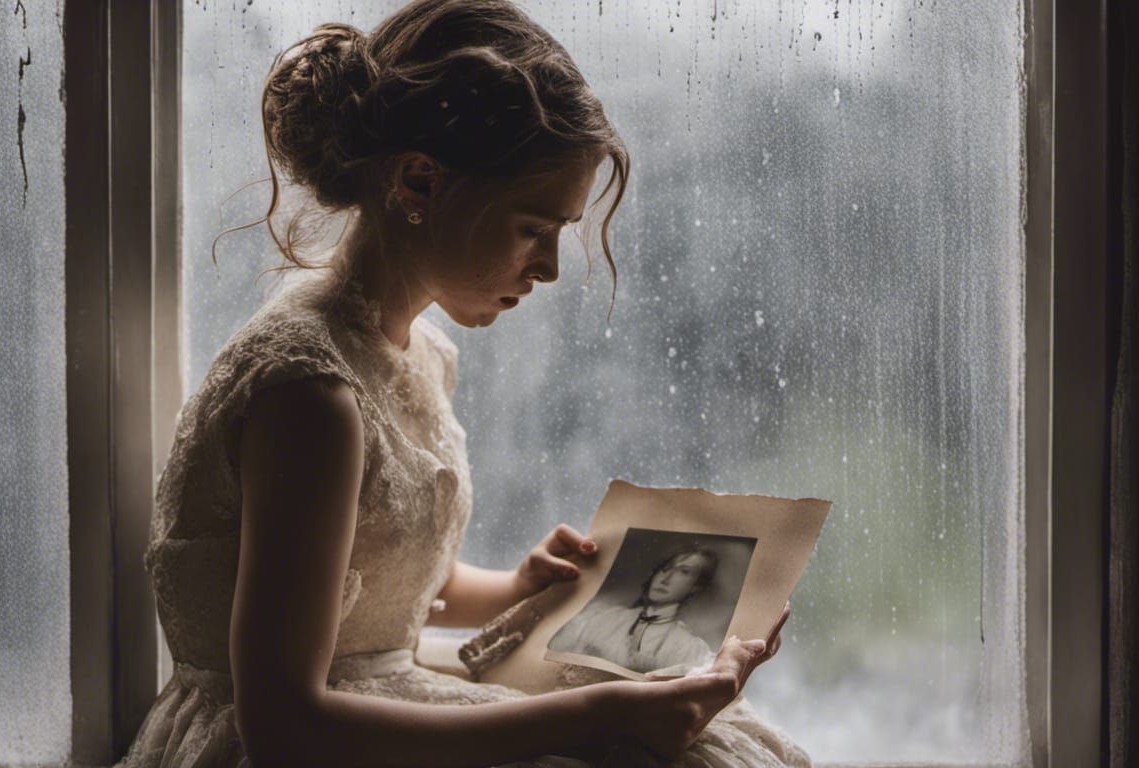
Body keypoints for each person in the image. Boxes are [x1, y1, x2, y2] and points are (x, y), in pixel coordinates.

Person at [115, 2, 807, 766]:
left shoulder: (416, 355)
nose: (546, 269)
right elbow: (284, 727)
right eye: (531, 228)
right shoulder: (310, 397)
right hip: (306, 742)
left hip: (375, 696)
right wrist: (596, 710)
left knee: (695, 741)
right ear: (418, 181)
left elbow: (373, 592)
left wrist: (510, 586)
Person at [549, 546, 721, 677]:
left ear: (696, 587)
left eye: (684, 572)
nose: (665, 578)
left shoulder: (689, 648)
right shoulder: (605, 619)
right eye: (665, 568)